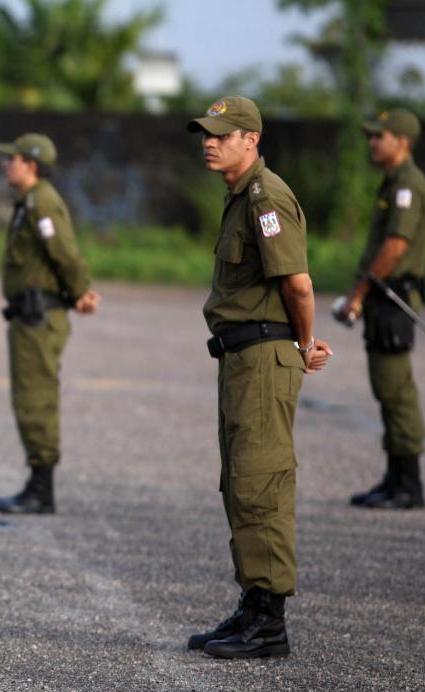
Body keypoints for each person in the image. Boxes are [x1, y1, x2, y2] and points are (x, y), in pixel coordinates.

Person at [184, 96, 332, 659]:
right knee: (242, 481)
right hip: (241, 358)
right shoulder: (241, 196)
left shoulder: (266, 196)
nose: (210, 141)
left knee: (261, 480)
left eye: (223, 134)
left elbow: (297, 283)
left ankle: (270, 621)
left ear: (252, 140)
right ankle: (253, 602)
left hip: (265, 357)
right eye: (206, 133)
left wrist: (302, 344)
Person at [0, 133, 100, 515]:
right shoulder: (29, 202)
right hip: (29, 315)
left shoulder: (41, 203)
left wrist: (81, 290)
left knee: (35, 398)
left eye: (13, 159)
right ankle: (38, 484)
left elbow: (64, 252)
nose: (6, 164)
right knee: (30, 398)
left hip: (39, 316)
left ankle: (41, 489)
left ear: (31, 165)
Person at [337, 109, 425, 509]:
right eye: (372, 136)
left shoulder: (408, 185)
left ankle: (408, 484)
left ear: (403, 142)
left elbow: (395, 246)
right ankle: (394, 477)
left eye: (381, 136)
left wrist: (358, 293)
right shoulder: (392, 183)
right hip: (383, 298)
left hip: (392, 298)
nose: (373, 142)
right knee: (386, 388)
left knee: (396, 391)